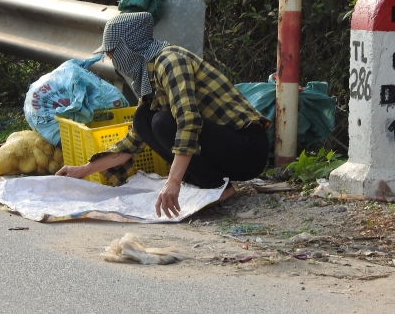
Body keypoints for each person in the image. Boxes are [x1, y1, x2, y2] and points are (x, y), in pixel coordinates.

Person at [56, 12, 270, 219]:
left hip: (247, 149)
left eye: (112, 53)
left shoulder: (171, 62)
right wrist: (84, 170)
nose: (111, 60)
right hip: (223, 147)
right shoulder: (149, 77)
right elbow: (134, 141)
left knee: (163, 122)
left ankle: (216, 188)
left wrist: (173, 181)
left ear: (129, 47)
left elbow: (189, 121)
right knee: (143, 118)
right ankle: (206, 183)